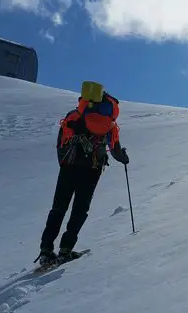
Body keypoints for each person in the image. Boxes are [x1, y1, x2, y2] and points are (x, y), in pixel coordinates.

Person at [35, 85, 129, 266]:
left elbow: (62, 141)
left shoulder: (76, 116)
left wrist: (64, 162)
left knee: (58, 208)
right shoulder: (109, 124)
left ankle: (46, 250)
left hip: (69, 166)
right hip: (92, 169)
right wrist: (123, 158)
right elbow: (115, 149)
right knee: (80, 209)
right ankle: (66, 249)